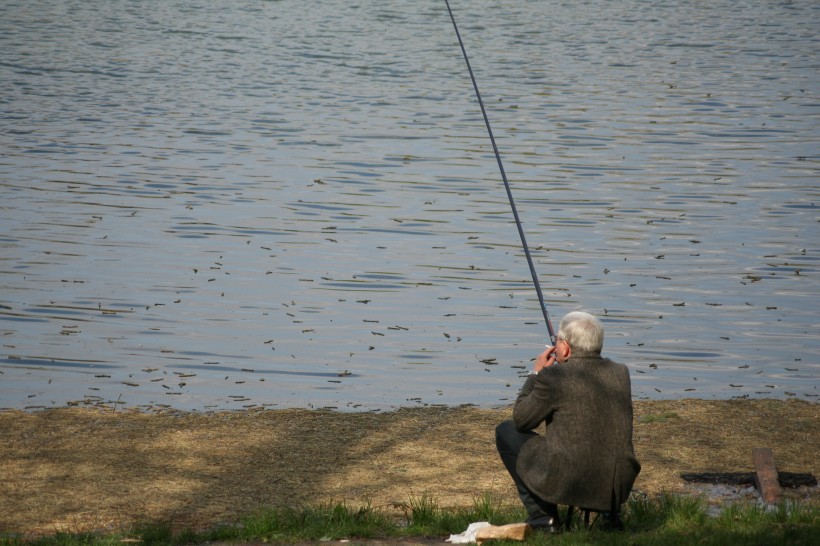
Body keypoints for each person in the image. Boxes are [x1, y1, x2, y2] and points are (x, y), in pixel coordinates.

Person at [495, 311, 640, 531]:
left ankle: (544, 519)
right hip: (617, 483)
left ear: (564, 348)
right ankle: (609, 516)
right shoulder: (621, 373)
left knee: (506, 432)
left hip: (572, 480)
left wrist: (535, 374)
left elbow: (522, 420)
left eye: (557, 341)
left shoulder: (554, 377)